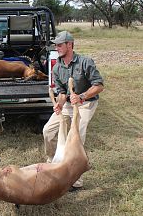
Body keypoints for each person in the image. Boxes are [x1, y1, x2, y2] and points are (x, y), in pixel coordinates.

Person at [43, 31, 104, 191]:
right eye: (55, 45)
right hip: (69, 104)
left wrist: (82, 96)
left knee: (76, 138)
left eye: (59, 45)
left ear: (69, 45)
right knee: (47, 131)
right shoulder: (57, 67)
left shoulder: (85, 62)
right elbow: (62, 92)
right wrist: (59, 104)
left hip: (86, 104)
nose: (56, 48)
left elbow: (99, 86)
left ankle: (75, 181)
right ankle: (53, 162)